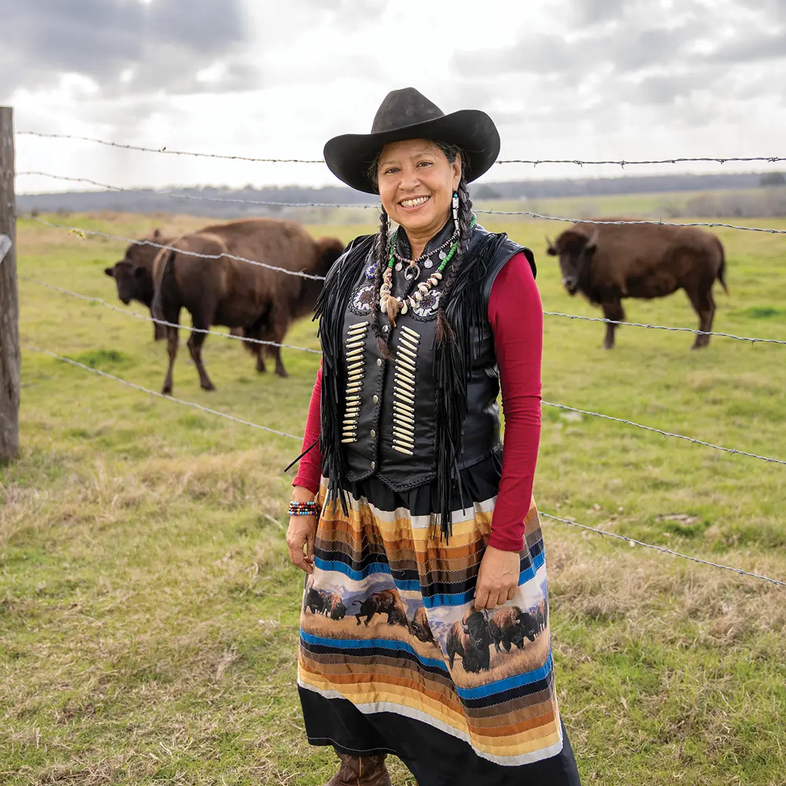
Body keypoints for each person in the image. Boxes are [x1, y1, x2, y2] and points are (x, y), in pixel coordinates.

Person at [286, 88, 581, 786]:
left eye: (424, 164)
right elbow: (328, 387)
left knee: (489, 683)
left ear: (457, 170)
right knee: (355, 655)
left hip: (459, 516)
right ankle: (364, 769)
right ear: (376, 185)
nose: (407, 182)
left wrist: (506, 543)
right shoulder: (353, 268)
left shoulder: (499, 270)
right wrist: (305, 497)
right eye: (391, 170)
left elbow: (527, 415)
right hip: (356, 511)